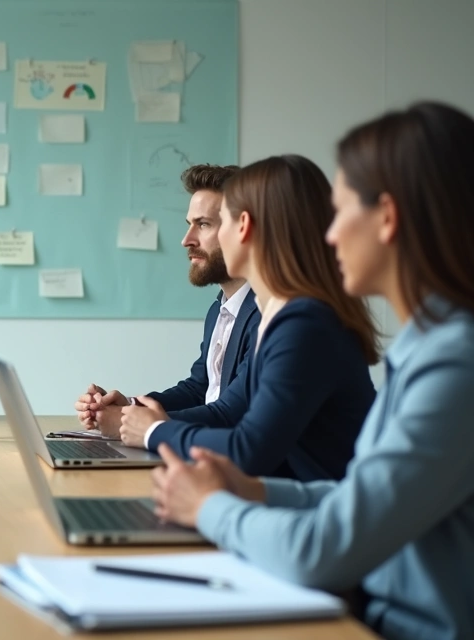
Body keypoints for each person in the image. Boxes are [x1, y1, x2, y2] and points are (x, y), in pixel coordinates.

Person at [151, 101, 474, 640]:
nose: (328, 236)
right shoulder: (426, 348)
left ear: (387, 218)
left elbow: (322, 550)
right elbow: (355, 498)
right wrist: (256, 492)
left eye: (340, 213)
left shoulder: (454, 365)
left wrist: (210, 507)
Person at [118, 155, 377, 481]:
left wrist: (154, 431)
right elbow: (232, 417)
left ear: (246, 227)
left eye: (218, 222)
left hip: (314, 507)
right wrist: (139, 415)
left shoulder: (305, 324)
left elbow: (247, 449)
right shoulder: (283, 315)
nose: (187, 240)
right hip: (286, 498)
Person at [75, 164, 259, 434]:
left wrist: (137, 424)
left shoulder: (266, 315)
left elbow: (233, 412)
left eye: (203, 224)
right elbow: (199, 389)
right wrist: (129, 407)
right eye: (189, 225)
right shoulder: (219, 310)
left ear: (242, 229)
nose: (186, 240)